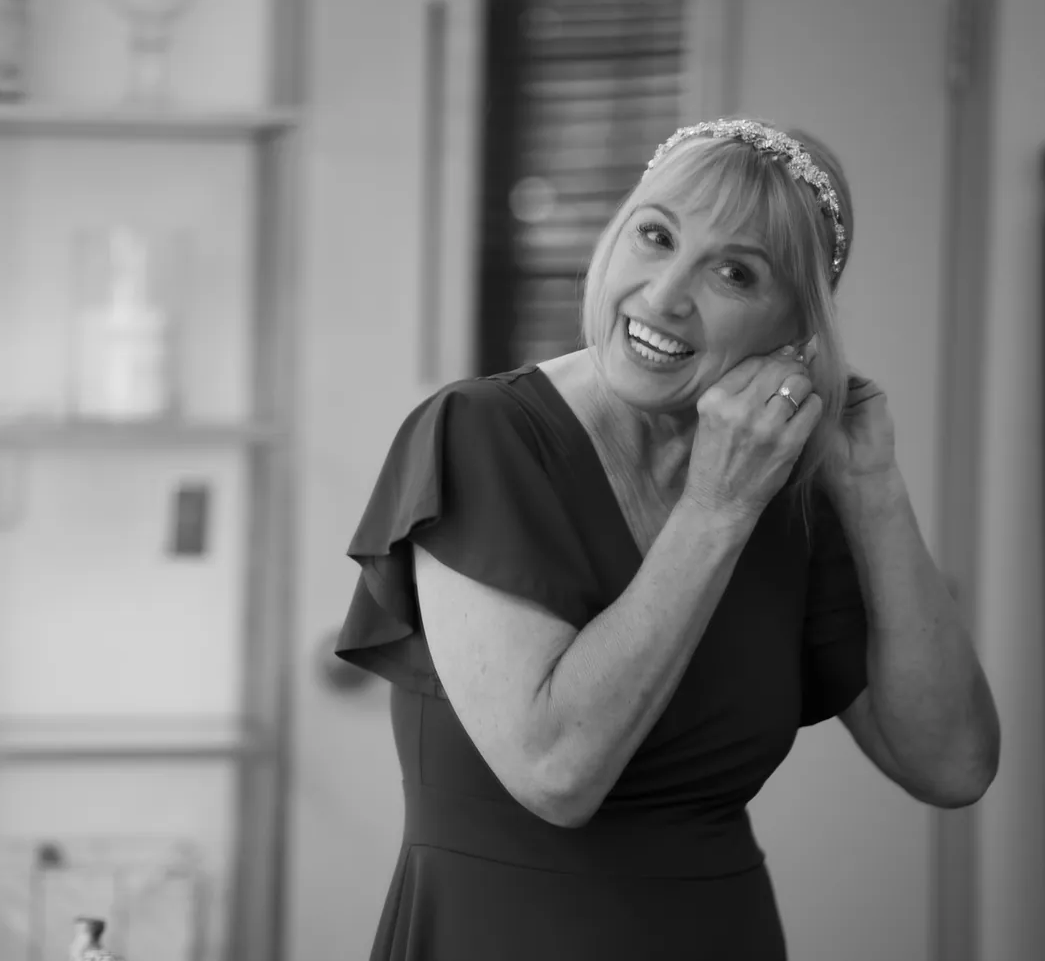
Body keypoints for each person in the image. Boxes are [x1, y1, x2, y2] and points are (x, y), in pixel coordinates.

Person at [333, 117, 1001, 960]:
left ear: (795, 328)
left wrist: (872, 487)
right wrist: (717, 508)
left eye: (734, 272)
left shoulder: (784, 485)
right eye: (656, 236)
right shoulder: (482, 434)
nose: (663, 296)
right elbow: (556, 771)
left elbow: (952, 766)